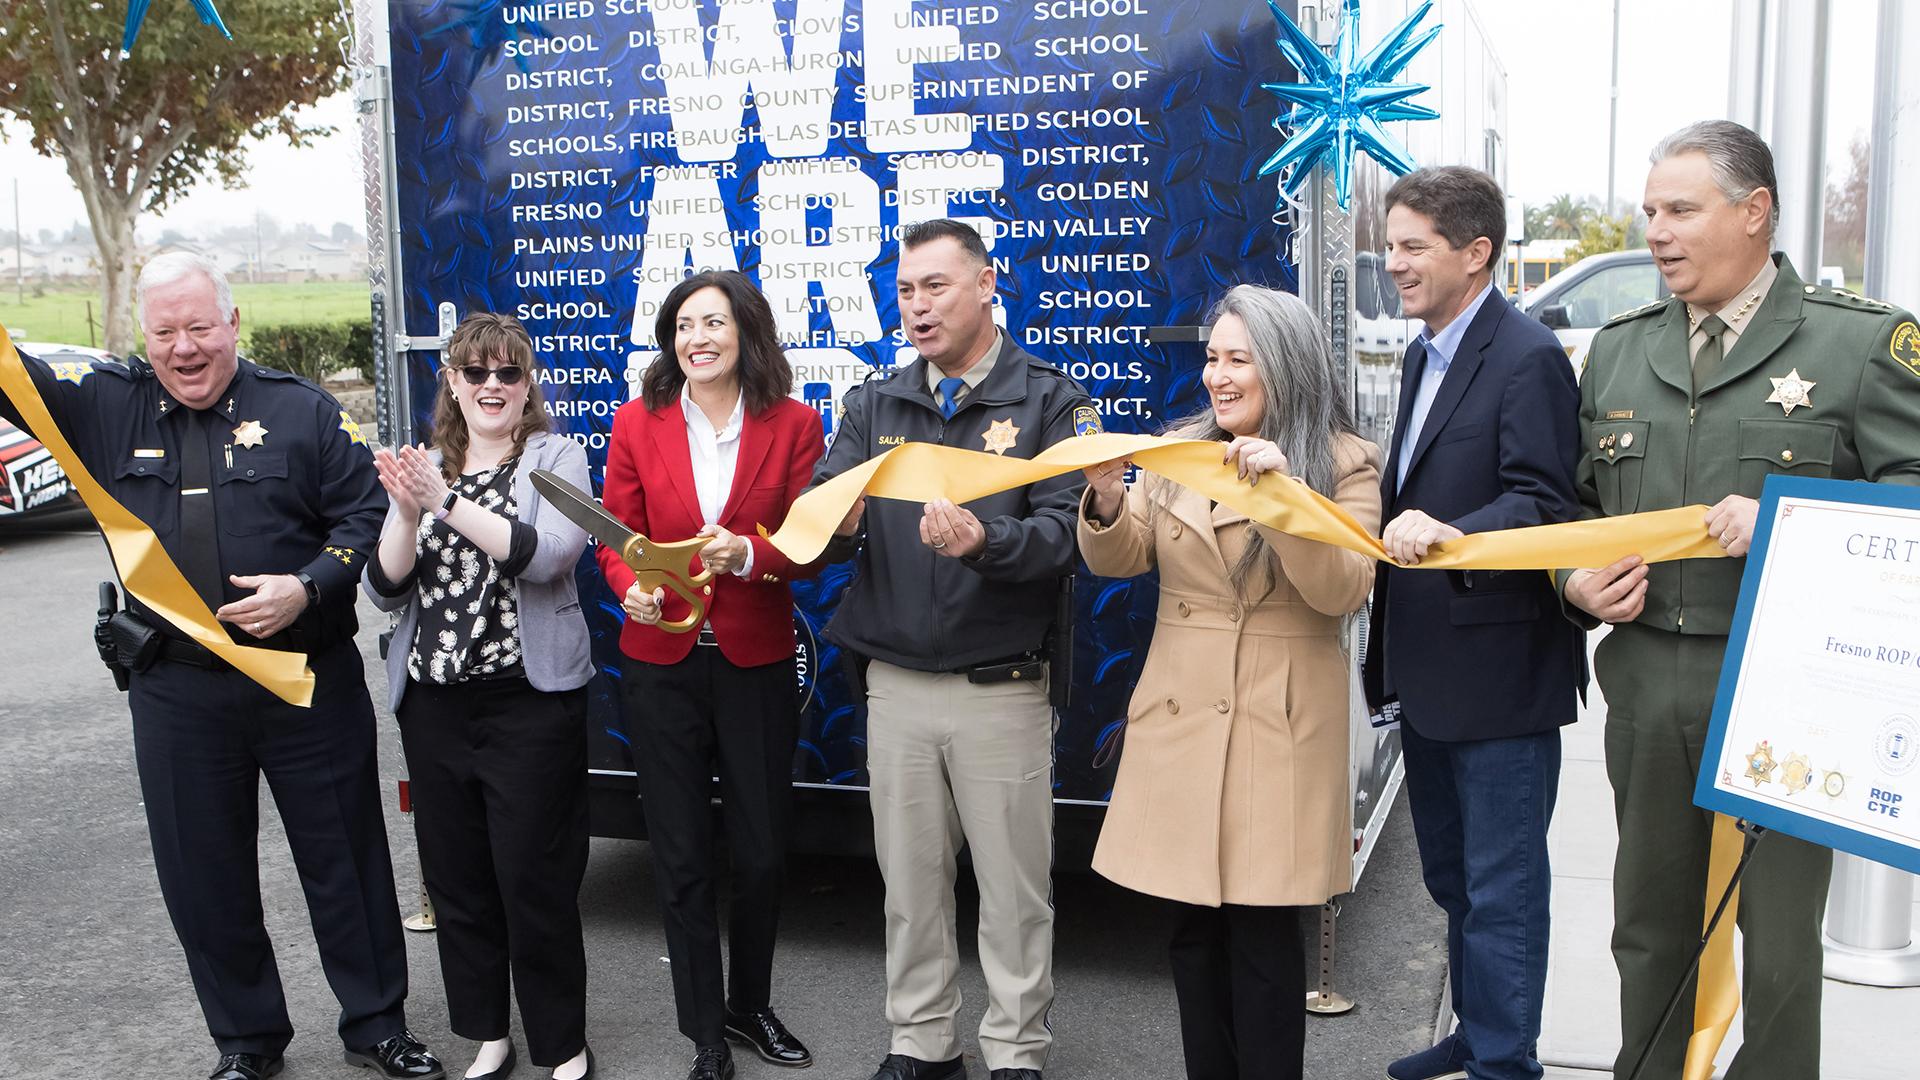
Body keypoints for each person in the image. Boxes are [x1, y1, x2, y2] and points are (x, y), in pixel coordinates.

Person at [0, 252, 442, 1080]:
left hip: (305, 681)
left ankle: (378, 1025)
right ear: (142, 334)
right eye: (165, 331)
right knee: (204, 874)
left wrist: (307, 588)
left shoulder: (300, 412)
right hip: (177, 690)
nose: (184, 348)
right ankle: (245, 1042)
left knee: (346, 861)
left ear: (233, 323)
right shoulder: (101, 405)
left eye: (200, 326)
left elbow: (369, 512)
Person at [1559, 120, 1920, 1079]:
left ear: (1754, 213)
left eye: (1681, 210)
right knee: (1648, 929)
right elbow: (1580, 509)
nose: (1657, 233)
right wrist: (1574, 582)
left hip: (1794, 697)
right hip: (1647, 688)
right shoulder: (1621, 353)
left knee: (1782, 949)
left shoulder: (1859, 344)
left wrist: (1799, 521)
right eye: (1649, 213)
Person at [809, 218, 1093, 1080]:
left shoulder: (1047, 399)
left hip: (999, 685)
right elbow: (822, 522)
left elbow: (1068, 533)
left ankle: (1015, 1051)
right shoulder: (875, 402)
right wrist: (833, 521)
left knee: (1013, 894)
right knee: (910, 890)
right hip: (895, 685)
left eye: (935, 286)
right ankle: (923, 1043)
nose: (918, 305)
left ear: (985, 284)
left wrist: (985, 544)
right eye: (905, 290)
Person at [1078, 284, 1381, 1080]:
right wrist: (1107, 497)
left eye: (1237, 358)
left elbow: (1343, 590)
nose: (1217, 374)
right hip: (1182, 728)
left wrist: (1283, 495)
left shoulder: (1346, 463)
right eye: (1212, 357)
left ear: (1284, 366)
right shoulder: (1183, 450)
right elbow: (1123, 553)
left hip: (1277, 732)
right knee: (1191, 936)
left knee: (1262, 941)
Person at [1363, 167, 1584, 1080]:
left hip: (1501, 678)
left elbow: (1547, 504)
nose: (1394, 263)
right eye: (1392, 243)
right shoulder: (1425, 352)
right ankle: (1475, 1033)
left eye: (1414, 245)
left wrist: (1452, 533)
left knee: (1504, 892)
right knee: (1451, 883)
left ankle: (1505, 1063)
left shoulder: (1527, 356)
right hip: (1431, 673)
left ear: (1476, 251)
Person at [597, 270, 825, 1080]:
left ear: (745, 334)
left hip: (754, 661)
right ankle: (704, 1032)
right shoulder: (637, 422)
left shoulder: (796, 425)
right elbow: (614, 536)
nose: (697, 338)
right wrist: (637, 593)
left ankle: (749, 1004)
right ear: (670, 340)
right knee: (682, 853)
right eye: (684, 325)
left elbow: (813, 540)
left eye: (714, 324)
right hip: (660, 667)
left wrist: (751, 555)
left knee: (761, 851)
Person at [363, 313, 595, 1080]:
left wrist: (444, 502)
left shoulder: (557, 457)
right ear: (453, 384)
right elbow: (382, 588)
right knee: (458, 881)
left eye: (508, 373)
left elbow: (549, 557)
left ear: (528, 385)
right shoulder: (426, 466)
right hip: (435, 705)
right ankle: (488, 1033)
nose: (491, 386)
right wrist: (407, 507)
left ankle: (562, 1042)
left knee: (535, 878)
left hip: (527, 704)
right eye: (476, 373)